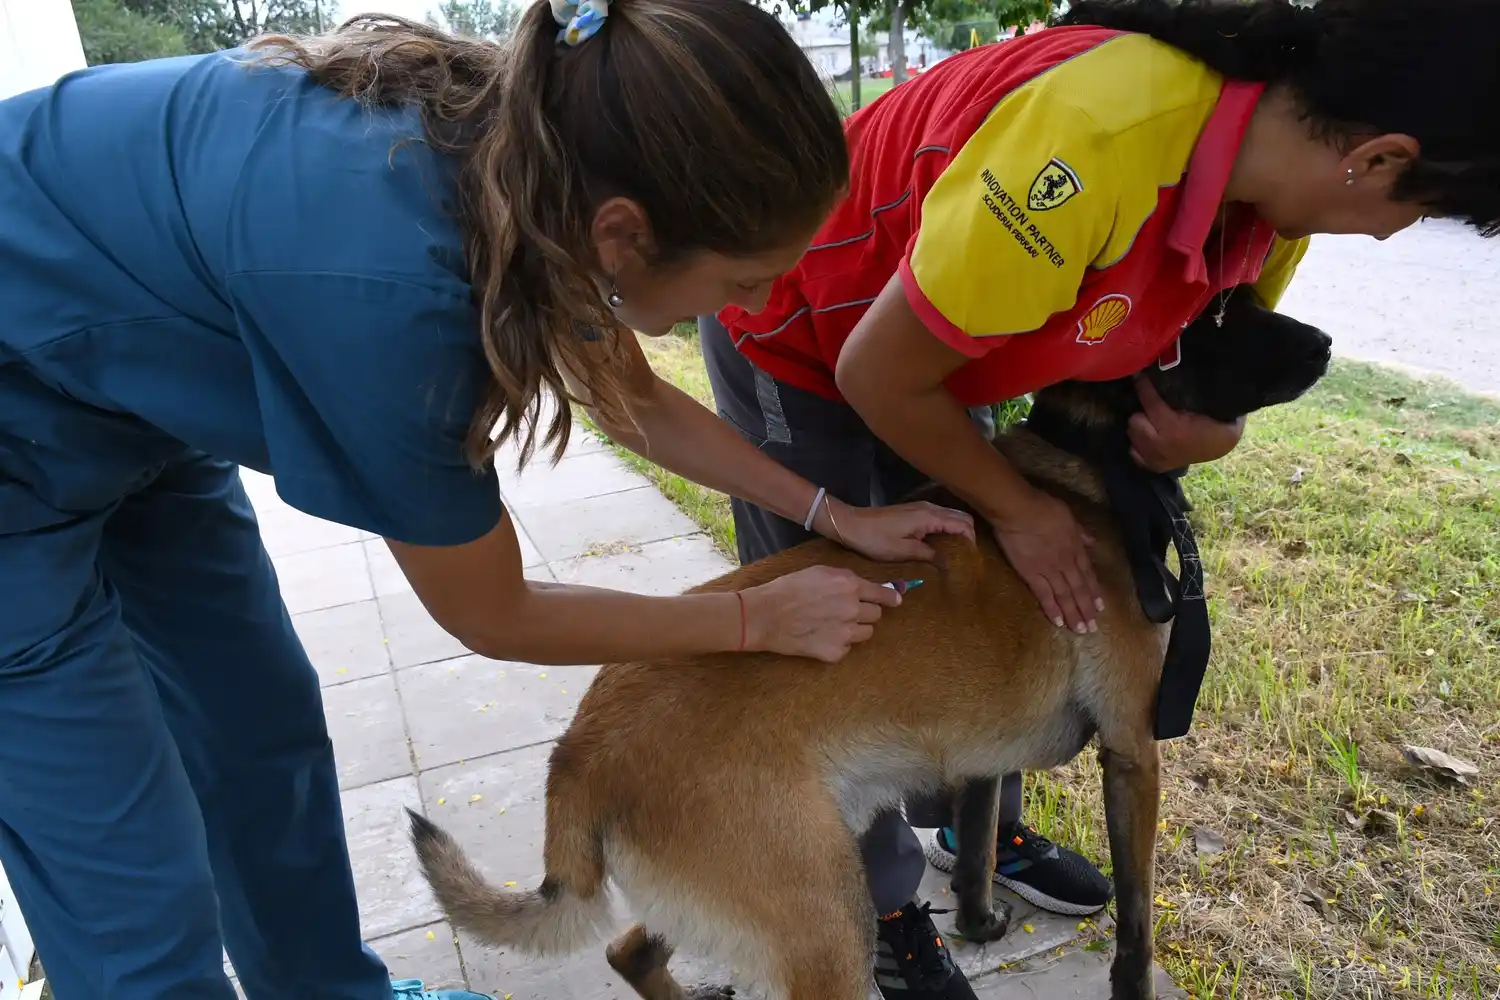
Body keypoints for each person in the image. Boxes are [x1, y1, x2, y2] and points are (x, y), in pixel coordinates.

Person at [0, 0, 978, 997]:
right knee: (138, 899)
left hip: (125, 392)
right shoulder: (395, 300)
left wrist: (833, 517)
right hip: (16, 417)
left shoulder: (541, 164)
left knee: (261, 736)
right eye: (749, 278)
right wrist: (749, 617)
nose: (764, 309)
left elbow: (634, 397)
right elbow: (494, 610)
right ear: (625, 236)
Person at [702, 0, 1500, 997]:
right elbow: (878, 376)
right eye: (1415, 212)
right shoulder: (1098, 144)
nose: (1393, 237)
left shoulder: (1271, 211)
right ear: (1379, 158)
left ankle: (970, 822)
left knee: (993, 597)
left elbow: (1198, 365)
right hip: (806, 333)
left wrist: (1216, 432)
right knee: (844, 639)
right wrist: (1022, 511)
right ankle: (881, 913)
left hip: (940, 354)